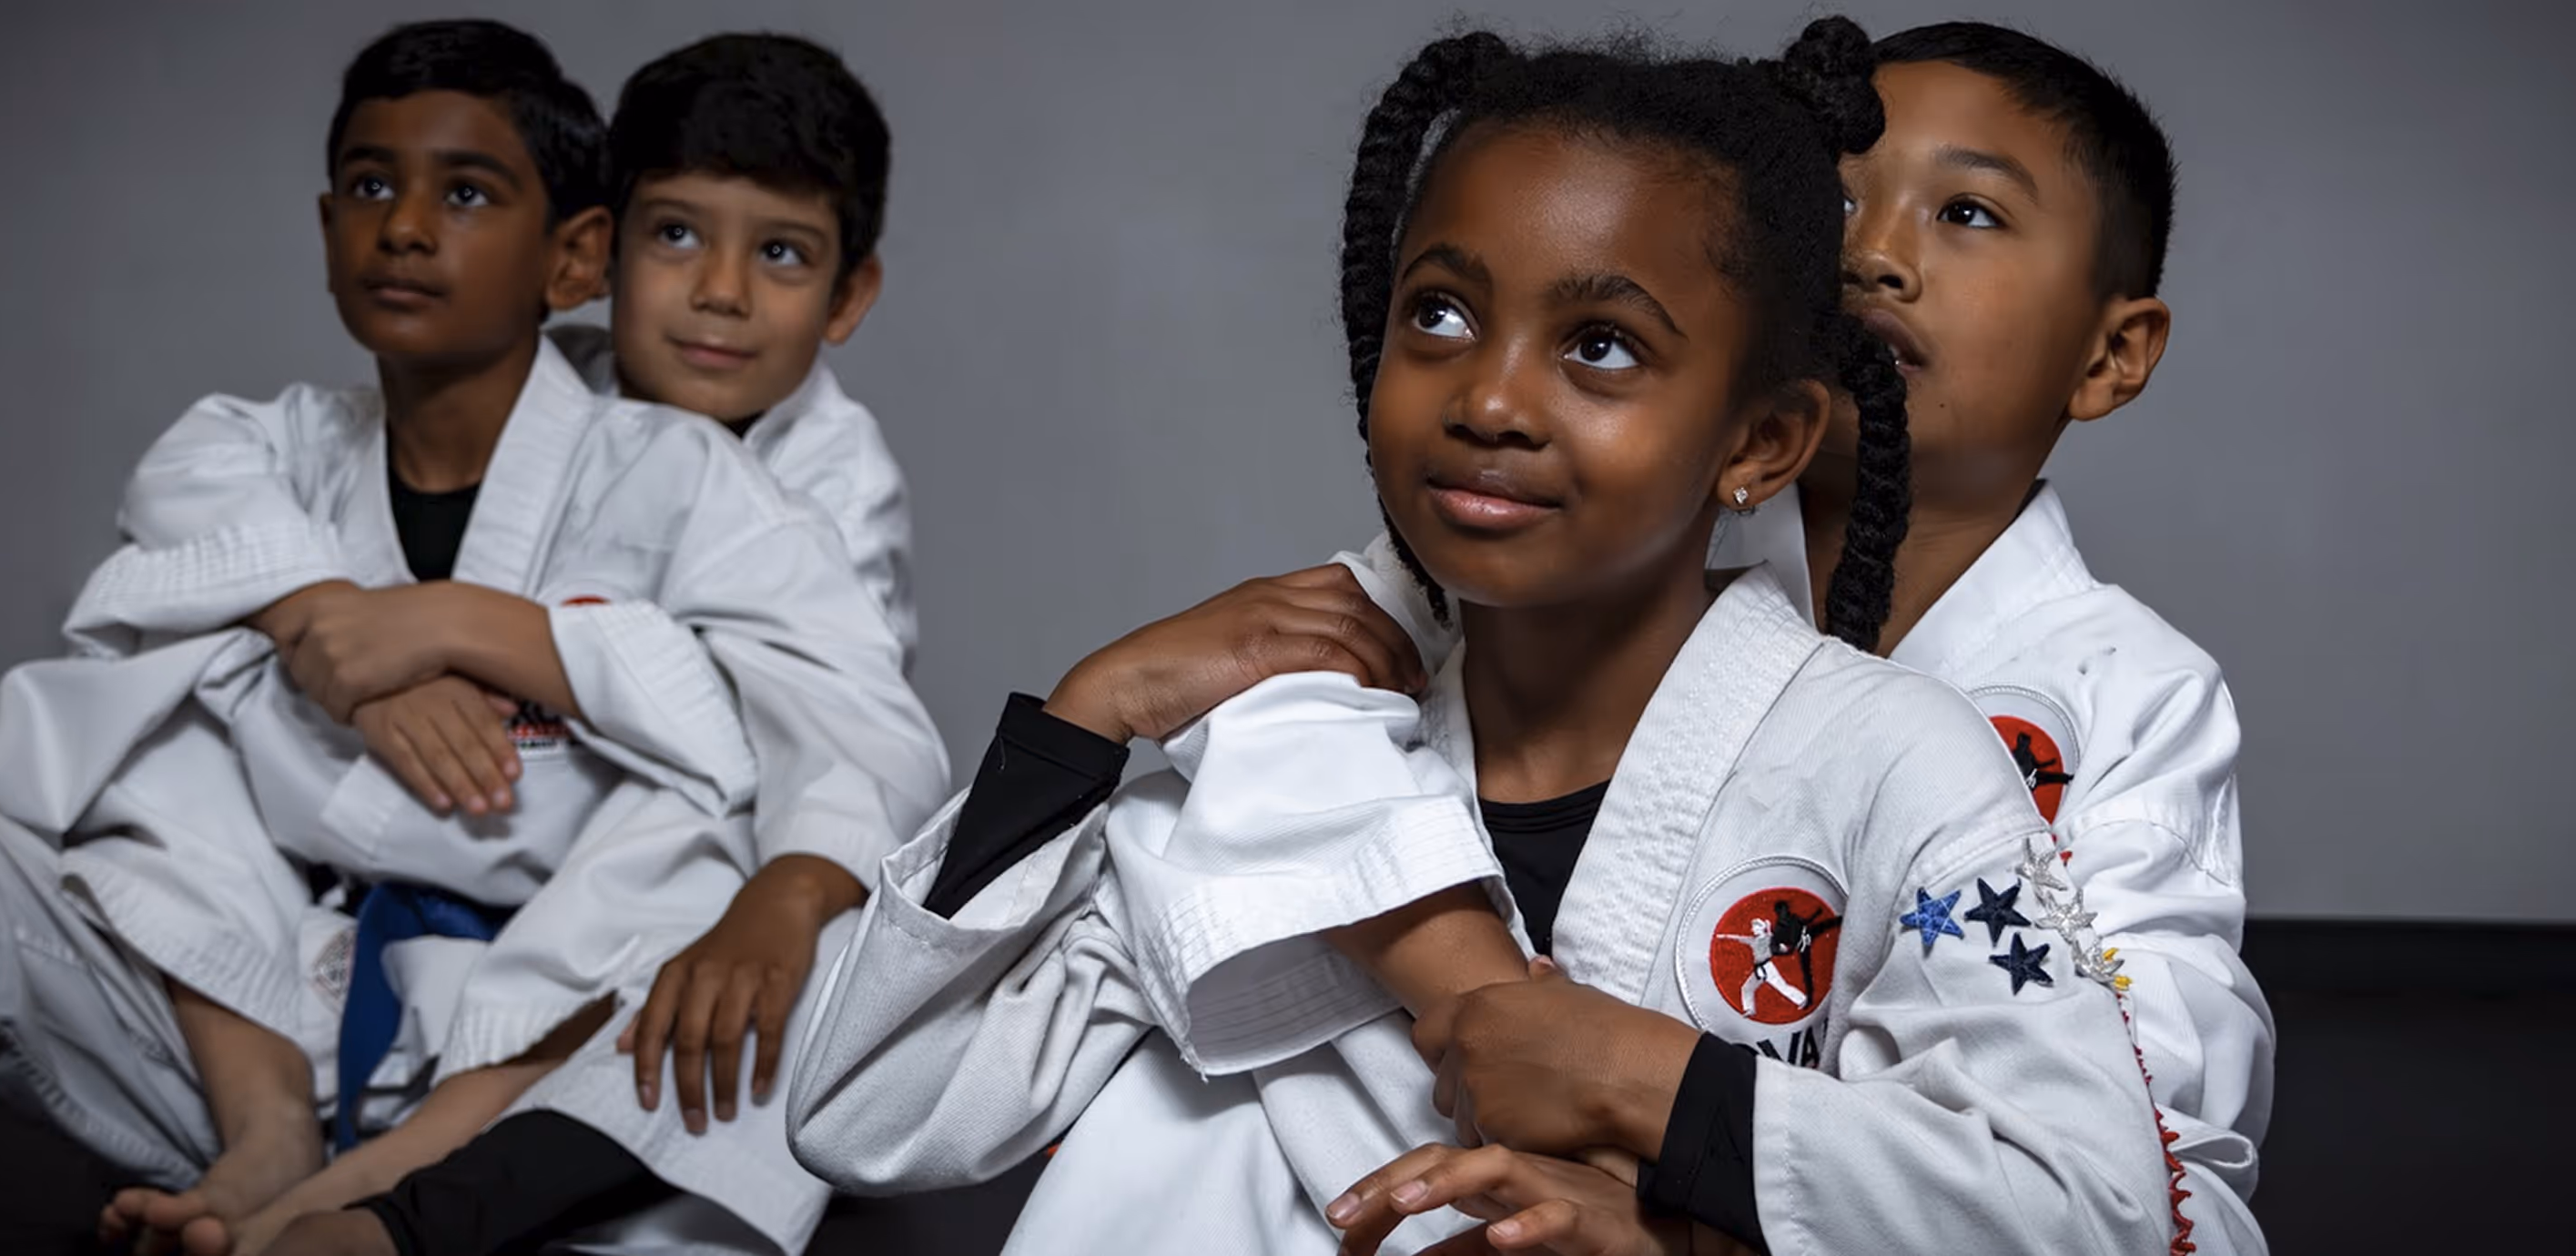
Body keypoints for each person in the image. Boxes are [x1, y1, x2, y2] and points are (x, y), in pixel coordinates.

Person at [788, 20, 2168, 1254]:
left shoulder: (1888, 762)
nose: (1491, 400)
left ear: (1761, 441)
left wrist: (1664, 1110)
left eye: (1603, 346)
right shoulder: (1278, 727)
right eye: (1439, 314)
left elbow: (2087, 1208)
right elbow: (869, 1109)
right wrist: (1089, 715)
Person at [0, 19, 940, 1255]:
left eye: (781, 254)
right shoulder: (520, 383)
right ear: (594, 255)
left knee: (744, 854)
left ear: (847, 293)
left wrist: (470, 629)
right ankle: (273, 1142)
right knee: (171, 699)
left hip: (595, 977)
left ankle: (393, 1195)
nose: (720, 293)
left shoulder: (810, 490)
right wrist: (325, 633)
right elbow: (200, 475)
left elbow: (828, 730)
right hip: (313, 938)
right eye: (675, 234)